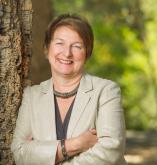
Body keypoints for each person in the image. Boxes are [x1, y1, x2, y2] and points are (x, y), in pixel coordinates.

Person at [11, 14, 126, 165]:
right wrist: (75, 144)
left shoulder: (106, 91)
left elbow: (111, 151)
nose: (67, 53)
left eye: (77, 46)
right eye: (60, 43)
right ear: (47, 49)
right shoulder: (32, 96)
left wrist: (44, 155)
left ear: (87, 53)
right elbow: (19, 153)